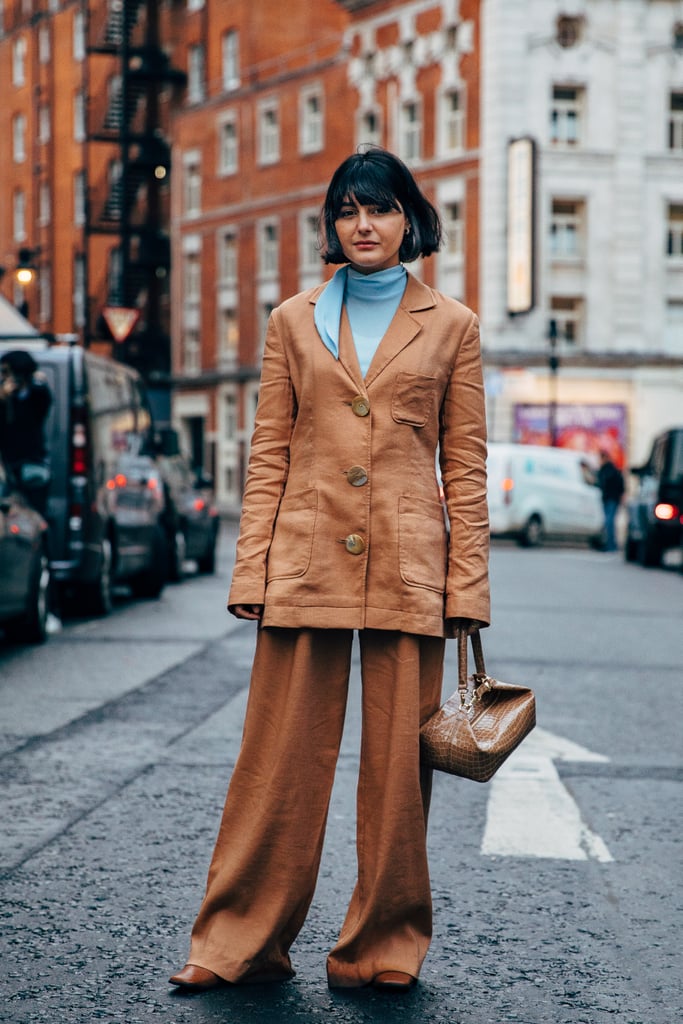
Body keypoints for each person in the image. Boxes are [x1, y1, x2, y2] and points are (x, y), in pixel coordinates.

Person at [169, 148, 491, 994]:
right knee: (276, 762)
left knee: (397, 772)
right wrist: (251, 572)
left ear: (410, 221)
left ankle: (383, 943)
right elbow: (268, 451)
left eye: (379, 209)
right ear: (331, 226)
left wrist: (468, 589)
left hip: (408, 565)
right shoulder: (290, 321)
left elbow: (464, 466)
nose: (363, 225)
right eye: (347, 211)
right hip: (305, 560)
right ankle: (237, 939)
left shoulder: (452, 325)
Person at [0, 349, 52, 517]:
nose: (3, 376)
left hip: (31, 463)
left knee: (34, 512)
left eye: (6, 371)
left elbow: (42, 403)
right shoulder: (5, 397)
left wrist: (26, 386)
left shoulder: (37, 394)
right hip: (7, 466)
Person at [596, 449, 625, 552]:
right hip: (607, 498)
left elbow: (620, 484)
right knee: (608, 522)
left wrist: (621, 496)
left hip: (612, 498)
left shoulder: (611, 470)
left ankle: (611, 545)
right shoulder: (602, 470)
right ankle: (610, 543)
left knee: (609, 522)